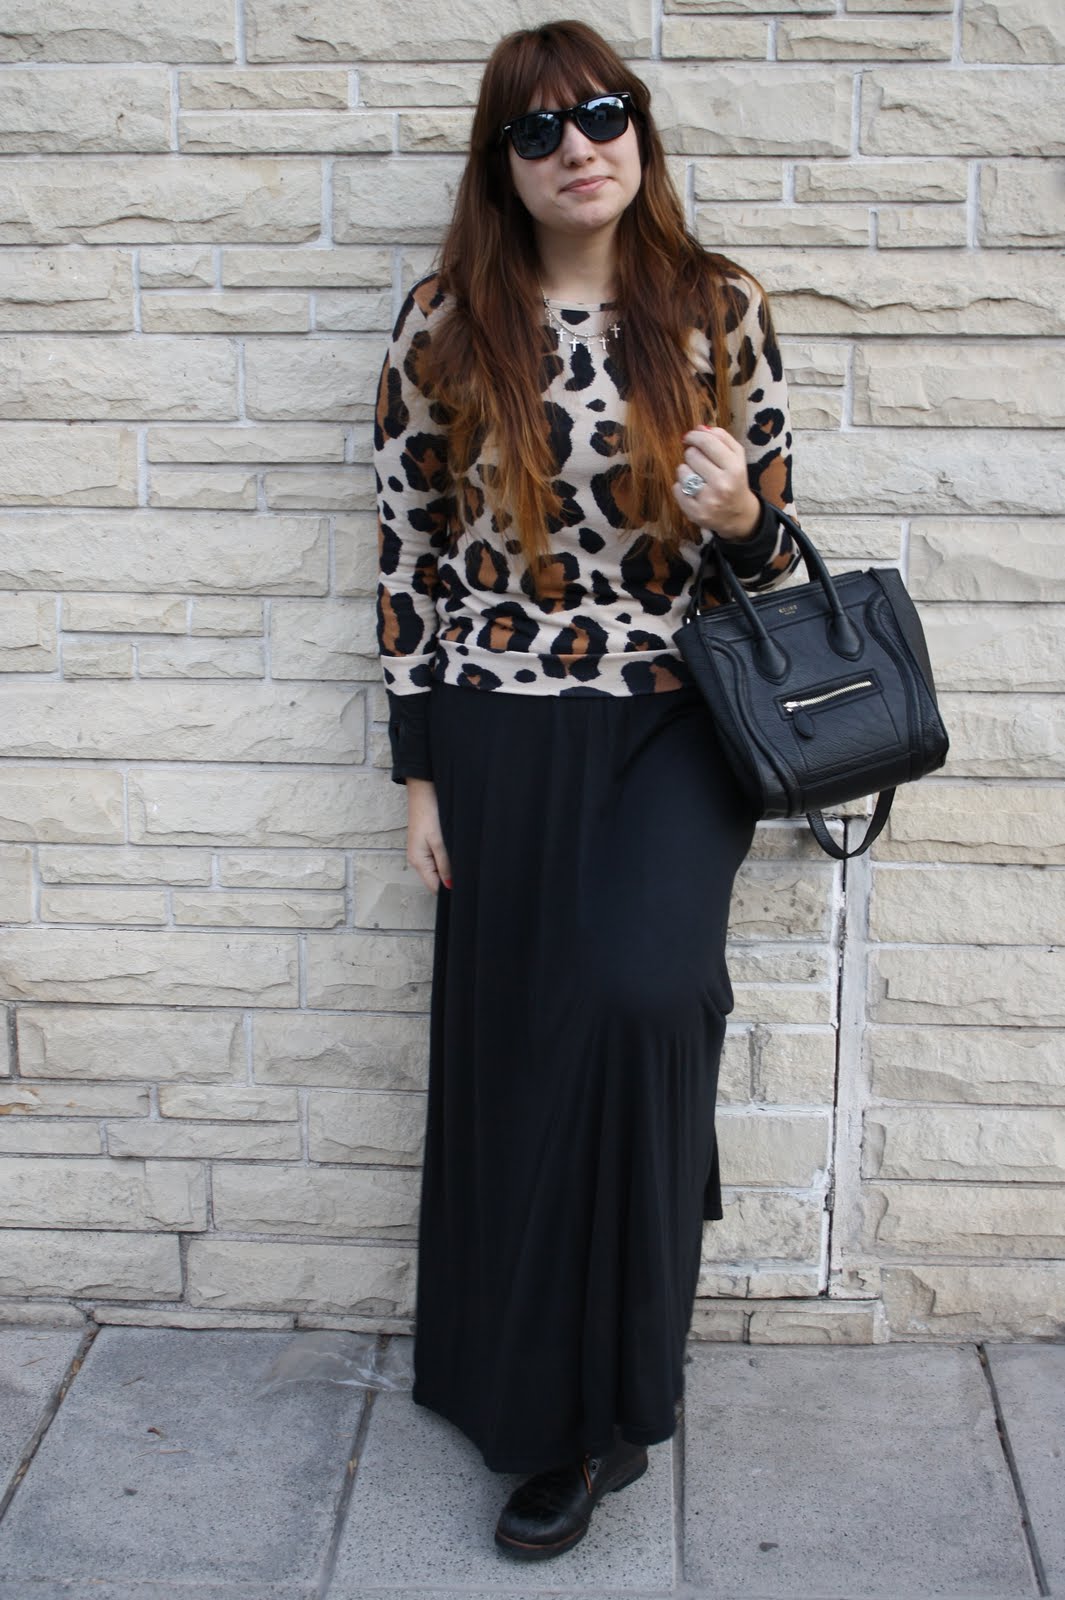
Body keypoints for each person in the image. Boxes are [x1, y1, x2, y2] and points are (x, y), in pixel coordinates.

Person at [374, 18, 801, 1561]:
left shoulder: (714, 308)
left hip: (673, 719)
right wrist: (418, 771)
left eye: (603, 114)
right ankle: (553, 1417)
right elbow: (408, 555)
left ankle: (623, 1366)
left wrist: (738, 515)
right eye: (540, 130)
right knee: (521, 1050)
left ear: (640, 131)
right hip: (495, 722)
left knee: (642, 1000)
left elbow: (773, 553)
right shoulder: (446, 322)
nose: (579, 149)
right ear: (502, 162)